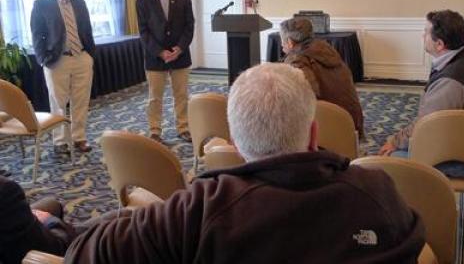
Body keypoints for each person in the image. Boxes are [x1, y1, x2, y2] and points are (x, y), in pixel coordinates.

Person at [65, 63, 424, 263]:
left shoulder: (196, 209)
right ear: (313, 134)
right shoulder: (377, 192)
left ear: (234, 144)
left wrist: (115, 219)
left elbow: (84, 254)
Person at [379, 10, 464, 156]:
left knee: (391, 160)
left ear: (439, 44)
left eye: (426, 32)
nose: (422, 36)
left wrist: (395, 142)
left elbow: (426, 125)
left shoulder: (451, 82)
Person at [30, 0, 95, 153]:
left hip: (81, 57)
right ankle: (60, 142)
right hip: (56, 60)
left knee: (81, 101)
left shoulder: (80, 4)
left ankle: (79, 138)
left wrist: (90, 55)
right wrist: (43, 59)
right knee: (58, 102)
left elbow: (87, 31)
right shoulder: (42, 4)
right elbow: (37, 35)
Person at [136, 0, 195, 143]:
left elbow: (189, 26)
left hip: (180, 55)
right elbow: (143, 32)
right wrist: (160, 52)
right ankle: (155, 130)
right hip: (155, 57)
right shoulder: (143, 1)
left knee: (182, 95)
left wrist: (180, 48)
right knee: (155, 98)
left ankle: (183, 127)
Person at [280, 17, 365, 138]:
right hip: (353, 124)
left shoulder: (297, 60)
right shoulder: (326, 49)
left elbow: (308, 95)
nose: (281, 44)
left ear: (290, 42)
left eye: (282, 40)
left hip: (330, 129)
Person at [0, 176, 76, 263]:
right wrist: (49, 220)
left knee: (52, 204)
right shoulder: (5, 189)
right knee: (91, 230)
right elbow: (56, 249)